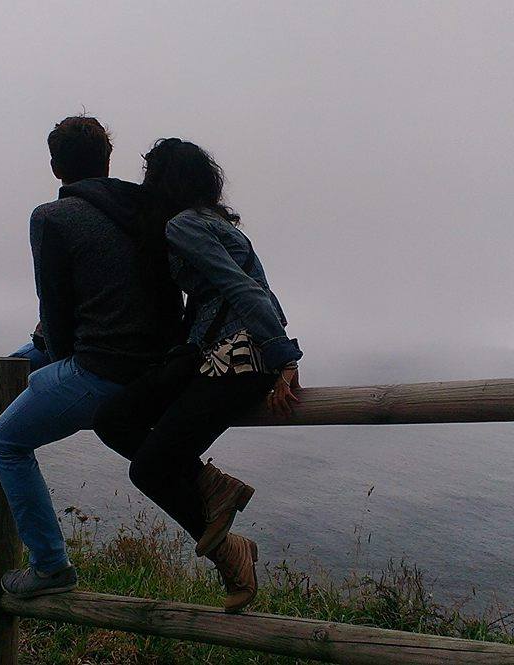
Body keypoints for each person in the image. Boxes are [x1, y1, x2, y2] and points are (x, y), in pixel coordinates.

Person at [92, 138, 302, 613]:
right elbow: (241, 291)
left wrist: (285, 358)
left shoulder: (183, 224)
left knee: (147, 467)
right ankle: (215, 488)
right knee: (113, 419)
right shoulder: (215, 222)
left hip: (237, 362)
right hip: (216, 356)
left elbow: (242, 287)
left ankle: (230, 552)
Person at [0, 117, 182, 598]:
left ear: (55, 166)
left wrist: (54, 362)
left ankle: (50, 566)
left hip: (106, 370)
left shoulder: (52, 217)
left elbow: (55, 311)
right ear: (107, 161)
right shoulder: (146, 206)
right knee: (29, 355)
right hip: (163, 364)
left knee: (4, 440)